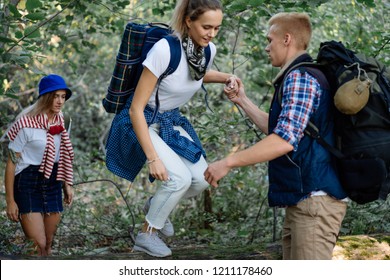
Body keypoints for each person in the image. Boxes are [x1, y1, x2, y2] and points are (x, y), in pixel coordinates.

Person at [204, 12, 348, 260]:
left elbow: (283, 140)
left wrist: (227, 162)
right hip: (304, 201)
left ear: (287, 39)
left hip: (315, 201)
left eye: (270, 39)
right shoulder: (298, 76)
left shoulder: (301, 78)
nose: (267, 46)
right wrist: (242, 100)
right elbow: (280, 130)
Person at [105, 0, 237, 258]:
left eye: (217, 28)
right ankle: (146, 234)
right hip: (141, 119)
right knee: (178, 179)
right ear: (188, 21)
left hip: (169, 120)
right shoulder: (164, 50)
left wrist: (227, 77)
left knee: (201, 178)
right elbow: (135, 109)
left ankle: (156, 205)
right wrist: (153, 159)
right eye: (206, 27)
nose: (211, 34)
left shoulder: (207, 50)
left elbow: (193, 73)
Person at [4, 74, 74, 256]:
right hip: (27, 183)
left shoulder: (60, 119)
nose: (59, 101)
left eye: (63, 97)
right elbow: (11, 163)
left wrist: (67, 184)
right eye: (55, 96)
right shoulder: (25, 123)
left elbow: (61, 154)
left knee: (48, 245)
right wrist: (10, 201)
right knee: (38, 246)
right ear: (45, 97)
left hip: (52, 182)